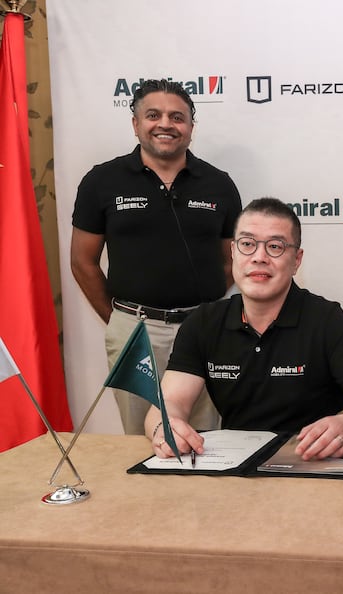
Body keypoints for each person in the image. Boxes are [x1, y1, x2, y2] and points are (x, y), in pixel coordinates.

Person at [144, 198, 343, 460]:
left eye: (275, 246)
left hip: (313, 466)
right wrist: (164, 428)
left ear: (296, 260)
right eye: (247, 244)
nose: (259, 257)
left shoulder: (327, 320)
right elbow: (169, 403)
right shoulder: (204, 322)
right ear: (233, 252)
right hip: (235, 471)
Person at [71, 79, 242, 435]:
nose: (165, 124)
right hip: (134, 329)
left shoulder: (219, 184)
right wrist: (122, 320)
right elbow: (83, 262)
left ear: (190, 128)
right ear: (136, 124)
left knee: (205, 437)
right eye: (153, 115)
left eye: (177, 117)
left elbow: (230, 262)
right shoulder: (101, 181)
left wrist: (202, 312)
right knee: (139, 438)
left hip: (201, 330)